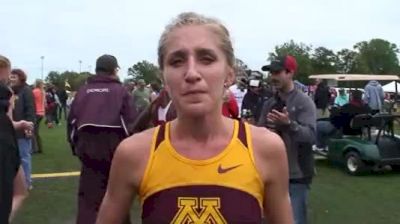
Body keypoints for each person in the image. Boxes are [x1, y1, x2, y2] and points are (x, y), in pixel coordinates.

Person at [96, 12, 292, 224]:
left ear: (229, 74)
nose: (191, 73)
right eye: (177, 61)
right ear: (164, 77)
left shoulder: (266, 148)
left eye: (206, 59)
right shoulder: (133, 153)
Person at [67, 54, 137, 224]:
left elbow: (72, 123)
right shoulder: (121, 91)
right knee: (117, 196)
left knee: (88, 200)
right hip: (115, 149)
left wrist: (76, 148)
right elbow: (131, 123)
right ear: (114, 70)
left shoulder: (83, 91)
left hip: (87, 150)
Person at [258, 55, 316, 224]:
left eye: (277, 72)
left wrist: (288, 125)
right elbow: (262, 132)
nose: (272, 77)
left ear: (290, 73)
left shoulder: (304, 102)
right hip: (270, 173)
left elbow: (311, 137)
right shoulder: (269, 103)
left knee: (294, 220)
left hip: (296, 175)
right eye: (271, 73)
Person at [0, 55, 29, 224]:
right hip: (4, 145)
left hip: (6, 139)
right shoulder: (7, 94)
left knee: (20, 191)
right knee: (17, 192)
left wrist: (19, 124)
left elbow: (8, 122)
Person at [9, 69, 36, 190]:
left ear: (21, 78)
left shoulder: (26, 90)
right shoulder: (9, 90)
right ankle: (14, 182)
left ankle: (27, 182)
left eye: (14, 76)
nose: (11, 78)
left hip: (23, 130)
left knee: (24, 157)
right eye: (10, 76)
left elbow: (30, 110)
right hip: (10, 130)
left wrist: (29, 127)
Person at [32, 79, 46, 153]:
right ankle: (39, 148)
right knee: (36, 131)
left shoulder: (35, 91)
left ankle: (35, 148)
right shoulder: (42, 92)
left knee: (33, 131)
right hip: (41, 112)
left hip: (36, 112)